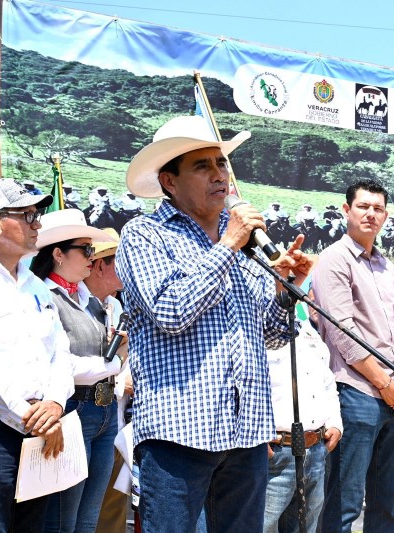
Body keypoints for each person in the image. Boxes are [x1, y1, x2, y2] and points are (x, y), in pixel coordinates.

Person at [116, 115, 312, 530]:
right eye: (202, 166)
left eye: (221, 163)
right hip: (178, 431)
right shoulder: (145, 234)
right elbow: (171, 312)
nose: (219, 174)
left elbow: (273, 336)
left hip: (246, 432)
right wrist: (227, 247)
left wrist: (286, 290)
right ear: (169, 182)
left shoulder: (246, 245)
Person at [311, 180, 394, 533]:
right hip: (357, 392)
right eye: (363, 206)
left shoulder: (387, 266)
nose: (371, 214)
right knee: (345, 501)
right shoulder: (334, 259)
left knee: (387, 502)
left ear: (386, 215)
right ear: (347, 210)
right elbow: (343, 332)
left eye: (378, 208)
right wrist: (385, 384)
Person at [27, 209, 121, 532]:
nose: (92, 257)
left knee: (87, 519)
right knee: (62, 522)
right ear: (58, 254)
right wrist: (112, 363)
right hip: (72, 410)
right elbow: (61, 364)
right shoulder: (44, 297)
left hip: (102, 410)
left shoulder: (88, 299)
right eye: (86, 249)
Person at [0, 179, 73, 533]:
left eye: (36, 214)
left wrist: (54, 403)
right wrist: (32, 417)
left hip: (40, 430)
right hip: (4, 429)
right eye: (26, 215)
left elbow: (60, 351)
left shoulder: (36, 286)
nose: (37, 223)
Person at [264, 290, 342, 533]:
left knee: (305, 528)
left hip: (316, 449)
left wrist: (335, 422)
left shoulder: (307, 327)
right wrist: (256, 434)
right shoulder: (257, 322)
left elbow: (327, 383)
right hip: (275, 451)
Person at [87, 229, 134, 533]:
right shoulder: (76, 304)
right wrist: (119, 384)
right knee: (82, 510)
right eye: (121, 261)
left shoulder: (116, 307)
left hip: (116, 423)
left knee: (112, 510)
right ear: (100, 265)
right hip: (86, 421)